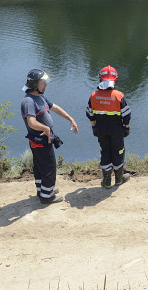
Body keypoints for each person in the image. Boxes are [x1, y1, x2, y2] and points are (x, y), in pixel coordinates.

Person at [20, 68, 78, 204]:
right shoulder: (29, 101)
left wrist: (70, 118)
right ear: (35, 84)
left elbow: (54, 107)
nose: (45, 85)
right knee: (49, 166)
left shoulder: (39, 97)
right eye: (43, 82)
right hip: (40, 139)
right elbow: (31, 122)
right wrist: (46, 128)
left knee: (40, 165)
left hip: (42, 139)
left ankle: (42, 190)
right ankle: (47, 196)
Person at [86, 65, 131, 188]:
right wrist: (126, 127)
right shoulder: (118, 95)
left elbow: (90, 114)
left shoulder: (93, 95)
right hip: (116, 130)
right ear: (115, 79)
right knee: (118, 151)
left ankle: (106, 181)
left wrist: (94, 128)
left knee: (105, 151)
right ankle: (119, 179)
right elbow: (126, 114)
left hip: (101, 129)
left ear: (100, 79)